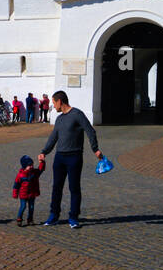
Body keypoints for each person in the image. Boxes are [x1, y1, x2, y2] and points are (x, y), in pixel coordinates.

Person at [37, 90, 102, 229]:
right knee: (56, 188)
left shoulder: (77, 114)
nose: (53, 106)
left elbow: (90, 131)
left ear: (60, 101)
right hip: (59, 157)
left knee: (74, 188)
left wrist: (95, 149)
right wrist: (44, 152)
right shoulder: (59, 119)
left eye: (54, 103)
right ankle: (54, 215)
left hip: (74, 157)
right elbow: (53, 138)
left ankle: (73, 217)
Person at [12, 154, 45, 226]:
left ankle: (30, 219)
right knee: (23, 206)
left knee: (31, 207)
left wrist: (42, 162)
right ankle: (19, 218)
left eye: (32, 165)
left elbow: (40, 169)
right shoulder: (20, 175)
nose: (32, 166)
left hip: (32, 194)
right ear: (24, 166)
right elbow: (16, 185)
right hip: (23, 194)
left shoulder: (34, 172)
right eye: (29, 165)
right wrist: (15, 194)